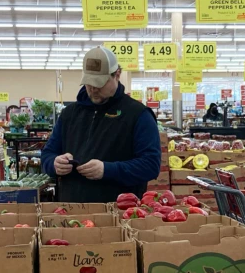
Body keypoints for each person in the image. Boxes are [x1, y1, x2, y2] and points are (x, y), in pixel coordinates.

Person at [41, 46, 161, 203]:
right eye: (89, 83)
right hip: (71, 213)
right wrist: (54, 163)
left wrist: (107, 170)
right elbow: (47, 154)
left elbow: (151, 165)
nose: (93, 89)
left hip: (119, 214)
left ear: (117, 74)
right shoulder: (69, 114)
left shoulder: (138, 115)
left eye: (100, 83)